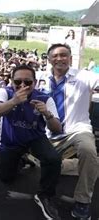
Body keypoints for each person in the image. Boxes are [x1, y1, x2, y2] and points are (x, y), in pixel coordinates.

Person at [0, 64, 62, 220]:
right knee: (6, 178)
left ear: (35, 83)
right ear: (11, 81)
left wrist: (47, 114)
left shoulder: (45, 98)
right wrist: (14, 101)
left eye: (28, 82)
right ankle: (21, 159)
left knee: (53, 159)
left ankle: (46, 196)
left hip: (35, 138)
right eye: (18, 82)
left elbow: (57, 128)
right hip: (11, 141)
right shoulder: (5, 92)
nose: (22, 86)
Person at [45, 43, 99, 219]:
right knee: (46, 164)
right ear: (49, 59)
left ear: (70, 58)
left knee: (88, 151)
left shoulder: (83, 76)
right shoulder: (41, 78)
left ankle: (83, 201)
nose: (59, 59)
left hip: (77, 129)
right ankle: (69, 166)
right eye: (55, 56)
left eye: (64, 55)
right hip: (48, 132)